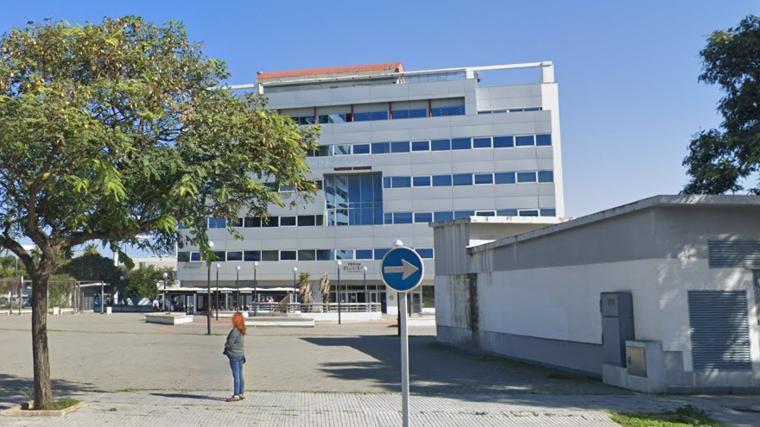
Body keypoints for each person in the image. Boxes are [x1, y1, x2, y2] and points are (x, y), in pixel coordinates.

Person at [223, 311, 246, 401]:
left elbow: (230, 343)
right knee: (240, 375)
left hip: (234, 355)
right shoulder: (242, 330)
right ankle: (241, 393)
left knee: (236, 375)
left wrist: (226, 347)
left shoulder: (235, 331)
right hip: (240, 354)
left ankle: (236, 394)